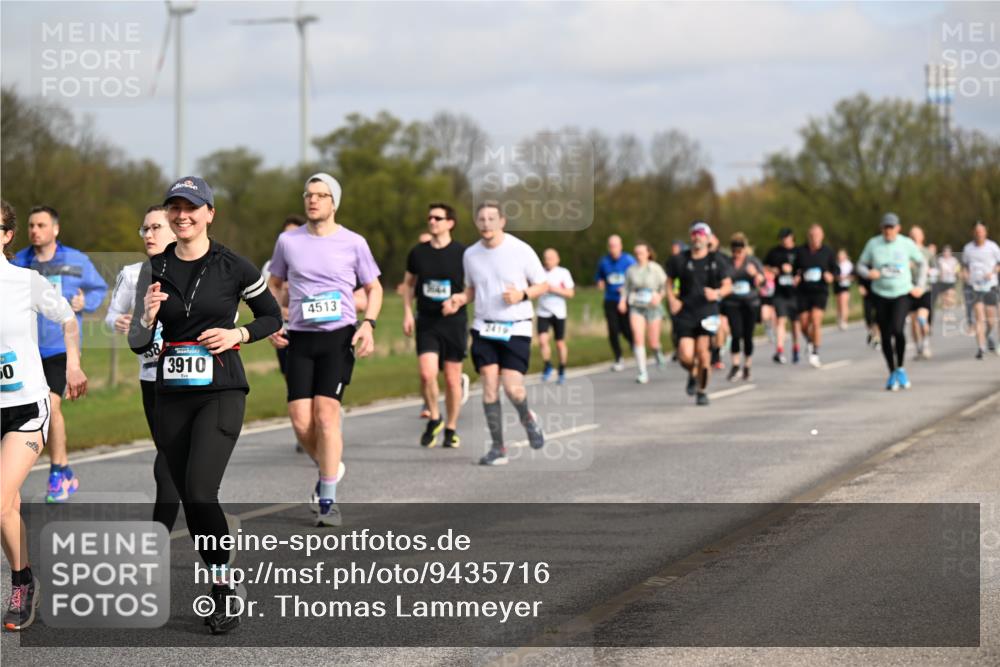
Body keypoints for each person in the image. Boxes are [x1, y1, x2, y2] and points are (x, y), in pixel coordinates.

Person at [129, 176, 282, 634]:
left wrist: (238, 334)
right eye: (174, 207)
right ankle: (223, 576)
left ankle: (222, 590)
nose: (182, 215)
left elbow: (271, 315)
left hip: (221, 390)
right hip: (170, 393)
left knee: (198, 491)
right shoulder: (152, 268)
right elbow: (139, 344)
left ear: (209, 213)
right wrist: (147, 318)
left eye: (191, 207)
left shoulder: (234, 265)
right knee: (192, 503)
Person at [266, 173, 382, 526]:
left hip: (338, 336)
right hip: (299, 337)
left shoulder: (354, 243)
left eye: (321, 195)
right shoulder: (288, 242)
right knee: (301, 422)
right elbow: (274, 283)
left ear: (334, 203)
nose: (313, 200)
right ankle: (331, 467)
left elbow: (374, 288)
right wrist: (273, 320)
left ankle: (328, 501)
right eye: (308, 194)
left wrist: (368, 324)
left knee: (326, 416)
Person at [2, 200, 87, 631]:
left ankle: (21, 584)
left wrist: (72, 364)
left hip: (25, 408)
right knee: (7, 504)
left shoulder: (26, 281)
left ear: (6, 235)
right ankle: (24, 579)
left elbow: (69, 319)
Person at [12, 205, 107, 503]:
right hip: (25, 350)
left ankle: (56, 473)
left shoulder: (76, 260)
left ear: (55, 229)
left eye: (41, 225)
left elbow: (99, 288)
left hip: (59, 349)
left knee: (51, 406)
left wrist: (85, 301)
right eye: (30, 226)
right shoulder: (19, 262)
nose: (35, 231)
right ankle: (63, 470)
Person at [441, 201, 547, 466]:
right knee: (489, 384)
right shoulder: (471, 255)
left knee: (513, 389)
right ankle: (498, 448)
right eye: (481, 219)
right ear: (477, 223)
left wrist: (522, 294)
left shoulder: (520, 250)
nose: (486, 224)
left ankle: (527, 417)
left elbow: (543, 285)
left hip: (517, 326)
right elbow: (472, 290)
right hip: (484, 327)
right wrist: (458, 300)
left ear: (502, 221)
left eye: (491, 218)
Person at [104, 206, 180, 529]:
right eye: (145, 229)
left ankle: (160, 536)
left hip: (189, 379)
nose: (149, 235)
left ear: (175, 230)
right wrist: (118, 322)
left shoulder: (194, 270)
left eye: (156, 228)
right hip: (151, 378)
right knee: (169, 457)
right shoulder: (133, 273)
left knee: (173, 464)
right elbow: (111, 317)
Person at [402, 203, 467, 449]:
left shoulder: (463, 253)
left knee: (451, 380)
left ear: (450, 223)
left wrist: (459, 300)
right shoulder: (418, 252)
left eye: (437, 218)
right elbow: (408, 284)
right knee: (426, 373)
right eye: (429, 217)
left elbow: (473, 287)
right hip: (427, 321)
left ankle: (450, 427)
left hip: (454, 322)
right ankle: (434, 417)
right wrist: (408, 313)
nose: (432, 221)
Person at [856, 213, 928, 391]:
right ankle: (892, 372)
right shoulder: (873, 244)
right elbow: (860, 265)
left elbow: (922, 262)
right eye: (885, 227)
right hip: (880, 294)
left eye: (891, 227)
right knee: (885, 335)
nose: (888, 231)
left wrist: (919, 285)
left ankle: (901, 367)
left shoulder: (906, 243)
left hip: (901, 293)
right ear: (881, 228)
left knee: (897, 329)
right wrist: (867, 273)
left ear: (898, 228)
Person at [665, 221, 733, 406]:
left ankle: (702, 391)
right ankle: (693, 373)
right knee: (685, 355)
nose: (697, 236)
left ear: (708, 237)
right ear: (691, 236)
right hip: (686, 312)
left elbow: (728, 285)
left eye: (701, 233)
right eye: (694, 233)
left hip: (707, 311)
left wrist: (717, 293)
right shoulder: (680, 259)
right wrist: (672, 299)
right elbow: (669, 282)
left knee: (704, 354)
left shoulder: (716, 260)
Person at [619, 242, 667, 384]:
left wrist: (659, 296)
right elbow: (626, 288)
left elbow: (665, 286)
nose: (639, 255)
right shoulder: (631, 270)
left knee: (653, 342)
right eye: (636, 253)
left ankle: (657, 352)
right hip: (636, 306)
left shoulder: (656, 269)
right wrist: (622, 301)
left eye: (641, 252)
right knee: (638, 337)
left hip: (652, 306)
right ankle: (642, 372)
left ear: (648, 253)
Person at [795, 224, 839, 368]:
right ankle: (809, 340)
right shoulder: (801, 251)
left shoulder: (827, 252)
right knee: (803, 324)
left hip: (820, 290)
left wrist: (831, 276)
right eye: (812, 235)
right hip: (803, 291)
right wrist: (795, 276)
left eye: (817, 235)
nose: (815, 238)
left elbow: (836, 270)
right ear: (808, 236)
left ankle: (815, 352)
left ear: (822, 236)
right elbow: (795, 269)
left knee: (815, 319)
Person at [722, 233, 764, 382]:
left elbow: (762, 282)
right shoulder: (727, 263)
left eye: (740, 251)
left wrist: (755, 275)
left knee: (748, 335)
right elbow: (722, 280)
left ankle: (747, 365)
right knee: (736, 333)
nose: (737, 254)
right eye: (734, 251)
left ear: (745, 250)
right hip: (733, 303)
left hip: (750, 303)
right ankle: (735, 365)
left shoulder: (752, 262)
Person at [595, 235, 635, 371]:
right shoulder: (604, 261)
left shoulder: (629, 260)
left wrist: (626, 289)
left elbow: (636, 278)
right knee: (613, 330)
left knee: (626, 329)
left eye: (615, 246)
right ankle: (618, 357)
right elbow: (599, 277)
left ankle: (635, 346)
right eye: (611, 246)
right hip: (610, 300)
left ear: (621, 246)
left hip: (626, 300)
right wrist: (600, 282)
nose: (613, 249)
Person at [960, 222, 1000, 359]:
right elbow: (964, 265)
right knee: (979, 318)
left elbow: (999, 264)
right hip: (974, 287)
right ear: (974, 233)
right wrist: (964, 273)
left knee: (991, 321)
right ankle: (981, 348)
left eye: (981, 231)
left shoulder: (993, 247)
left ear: (985, 232)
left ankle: (987, 336)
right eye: (977, 232)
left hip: (990, 286)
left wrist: (993, 272)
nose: (979, 234)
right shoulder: (968, 248)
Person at [536, 248, 575, 385]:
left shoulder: (563, 273)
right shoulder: (539, 272)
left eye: (551, 258)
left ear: (557, 259)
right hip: (543, 312)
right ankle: (547, 365)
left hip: (558, 312)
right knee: (542, 340)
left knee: (559, 343)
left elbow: (570, 293)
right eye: (546, 258)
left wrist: (554, 289)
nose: (548, 261)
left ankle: (562, 368)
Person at [763, 228, 801, 364]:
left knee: (796, 324)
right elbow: (764, 266)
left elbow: (805, 267)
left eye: (786, 237)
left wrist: (797, 274)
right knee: (780, 321)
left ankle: (796, 348)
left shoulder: (799, 251)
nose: (784, 240)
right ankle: (779, 351)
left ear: (792, 237)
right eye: (782, 238)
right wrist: (774, 270)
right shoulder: (774, 252)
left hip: (796, 294)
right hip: (780, 293)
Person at [907, 226, 936, 360]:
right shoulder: (905, 252)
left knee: (921, 318)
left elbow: (936, 270)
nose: (914, 237)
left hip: (925, 290)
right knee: (913, 323)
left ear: (922, 237)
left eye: (916, 234)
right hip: (910, 290)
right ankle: (918, 346)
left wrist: (931, 272)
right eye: (912, 234)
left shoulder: (927, 253)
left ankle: (926, 343)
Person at [834, 249, 853, 330]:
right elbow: (834, 275)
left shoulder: (849, 265)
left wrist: (845, 277)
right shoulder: (836, 264)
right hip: (837, 286)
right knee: (839, 304)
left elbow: (853, 275)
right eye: (839, 255)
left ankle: (844, 321)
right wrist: (838, 277)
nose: (840, 257)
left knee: (843, 303)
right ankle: (840, 318)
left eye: (842, 255)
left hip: (845, 285)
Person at [935, 245, 960, 310]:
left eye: (948, 252)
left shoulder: (954, 260)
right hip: (943, 280)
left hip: (951, 280)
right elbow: (938, 269)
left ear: (950, 253)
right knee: (944, 296)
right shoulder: (940, 260)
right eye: (945, 252)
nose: (946, 253)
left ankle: (951, 306)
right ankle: (945, 309)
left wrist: (957, 273)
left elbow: (957, 268)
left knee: (950, 294)